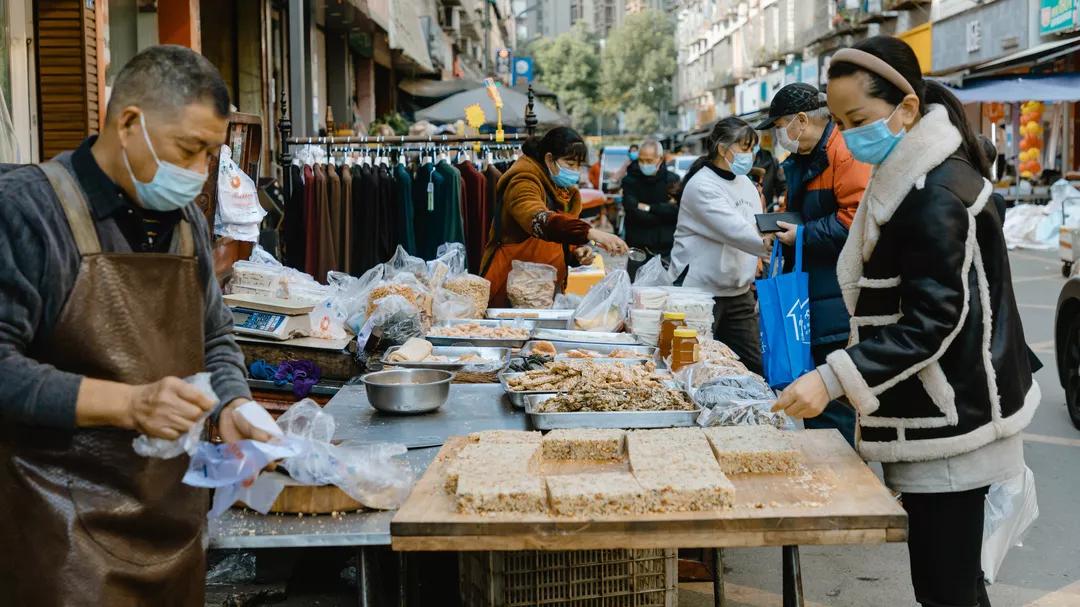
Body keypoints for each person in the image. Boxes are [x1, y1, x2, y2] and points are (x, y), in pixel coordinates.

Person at [0, 45, 274, 605]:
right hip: (56, 541)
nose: (199, 174)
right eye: (189, 149)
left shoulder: (185, 224)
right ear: (129, 123)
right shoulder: (28, 210)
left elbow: (214, 336)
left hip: (172, 529)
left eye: (210, 157)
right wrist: (129, 405)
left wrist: (234, 405)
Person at [774, 36, 1037, 607]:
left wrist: (833, 378)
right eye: (839, 121)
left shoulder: (936, 191)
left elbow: (933, 320)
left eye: (858, 118)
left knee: (946, 590)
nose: (846, 133)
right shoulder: (907, 173)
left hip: (953, 421)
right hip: (938, 410)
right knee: (955, 585)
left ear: (907, 109)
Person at [755, 82, 872, 448]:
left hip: (836, 298)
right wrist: (781, 227)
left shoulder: (844, 153)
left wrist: (801, 235)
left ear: (801, 121)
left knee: (833, 402)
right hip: (811, 296)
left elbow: (856, 220)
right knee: (814, 396)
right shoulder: (805, 159)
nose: (777, 137)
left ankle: (842, 483)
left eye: (779, 127)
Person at [481, 127, 628, 307]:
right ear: (549, 159)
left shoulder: (563, 189)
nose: (575, 170)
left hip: (545, 290)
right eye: (570, 163)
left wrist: (576, 251)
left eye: (578, 165)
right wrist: (590, 233)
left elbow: (560, 231)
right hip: (510, 289)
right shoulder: (522, 182)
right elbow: (538, 218)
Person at [670, 118, 772, 374]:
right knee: (695, 368)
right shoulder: (701, 185)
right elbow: (736, 231)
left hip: (738, 293)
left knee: (755, 367)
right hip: (699, 294)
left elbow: (756, 224)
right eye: (744, 148)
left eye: (752, 149)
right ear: (722, 148)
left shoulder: (745, 183)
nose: (749, 156)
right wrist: (772, 245)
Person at [620, 138, 681, 276]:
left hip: (666, 251)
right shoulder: (630, 181)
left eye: (649, 161)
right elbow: (632, 210)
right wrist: (663, 212)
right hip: (638, 251)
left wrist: (648, 208)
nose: (644, 164)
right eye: (641, 160)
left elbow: (677, 212)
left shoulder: (672, 181)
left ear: (660, 159)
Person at [752, 133, 786, 210]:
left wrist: (783, 196)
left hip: (767, 210)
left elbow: (782, 185)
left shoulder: (770, 160)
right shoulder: (737, 165)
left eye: (752, 146)